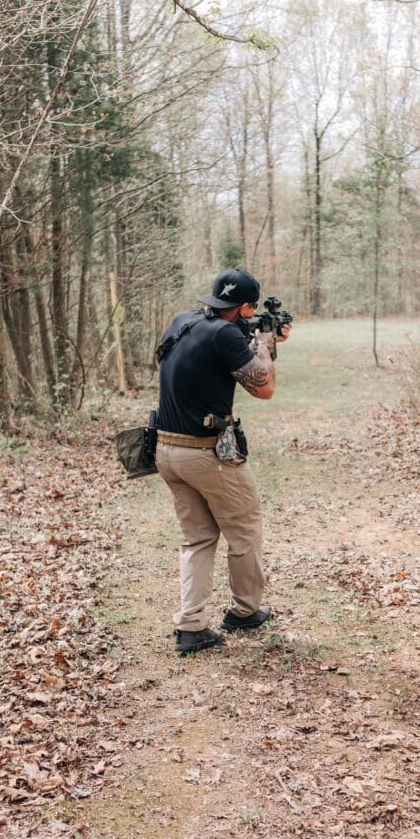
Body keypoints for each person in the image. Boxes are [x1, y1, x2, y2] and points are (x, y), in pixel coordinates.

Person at [155, 268, 290, 654]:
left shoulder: (182, 322)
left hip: (166, 448)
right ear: (246, 307)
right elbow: (264, 387)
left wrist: (259, 340)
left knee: (198, 538)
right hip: (206, 453)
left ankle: (191, 626)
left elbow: (195, 364)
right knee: (244, 529)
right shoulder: (228, 333)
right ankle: (245, 611)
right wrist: (264, 345)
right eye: (250, 309)